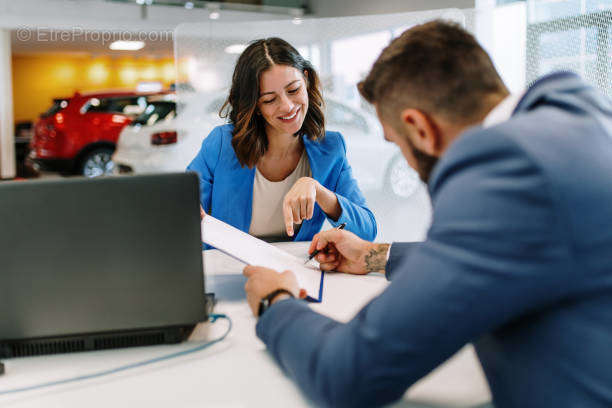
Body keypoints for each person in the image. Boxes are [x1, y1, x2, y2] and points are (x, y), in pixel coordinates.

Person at [242, 21, 612, 408]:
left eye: (395, 142)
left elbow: (347, 373)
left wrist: (277, 301)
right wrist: (374, 254)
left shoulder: (505, 176)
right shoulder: (573, 108)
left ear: (420, 129)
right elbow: (502, 250)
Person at [187, 38, 376, 242]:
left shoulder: (331, 148)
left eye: (293, 90)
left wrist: (319, 192)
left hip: (294, 271)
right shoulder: (222, 144)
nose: (287, 106)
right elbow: (182, 211)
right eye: (269, 99)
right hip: (230, 269)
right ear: (255, 105)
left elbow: (367, 231)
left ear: (306, 80)